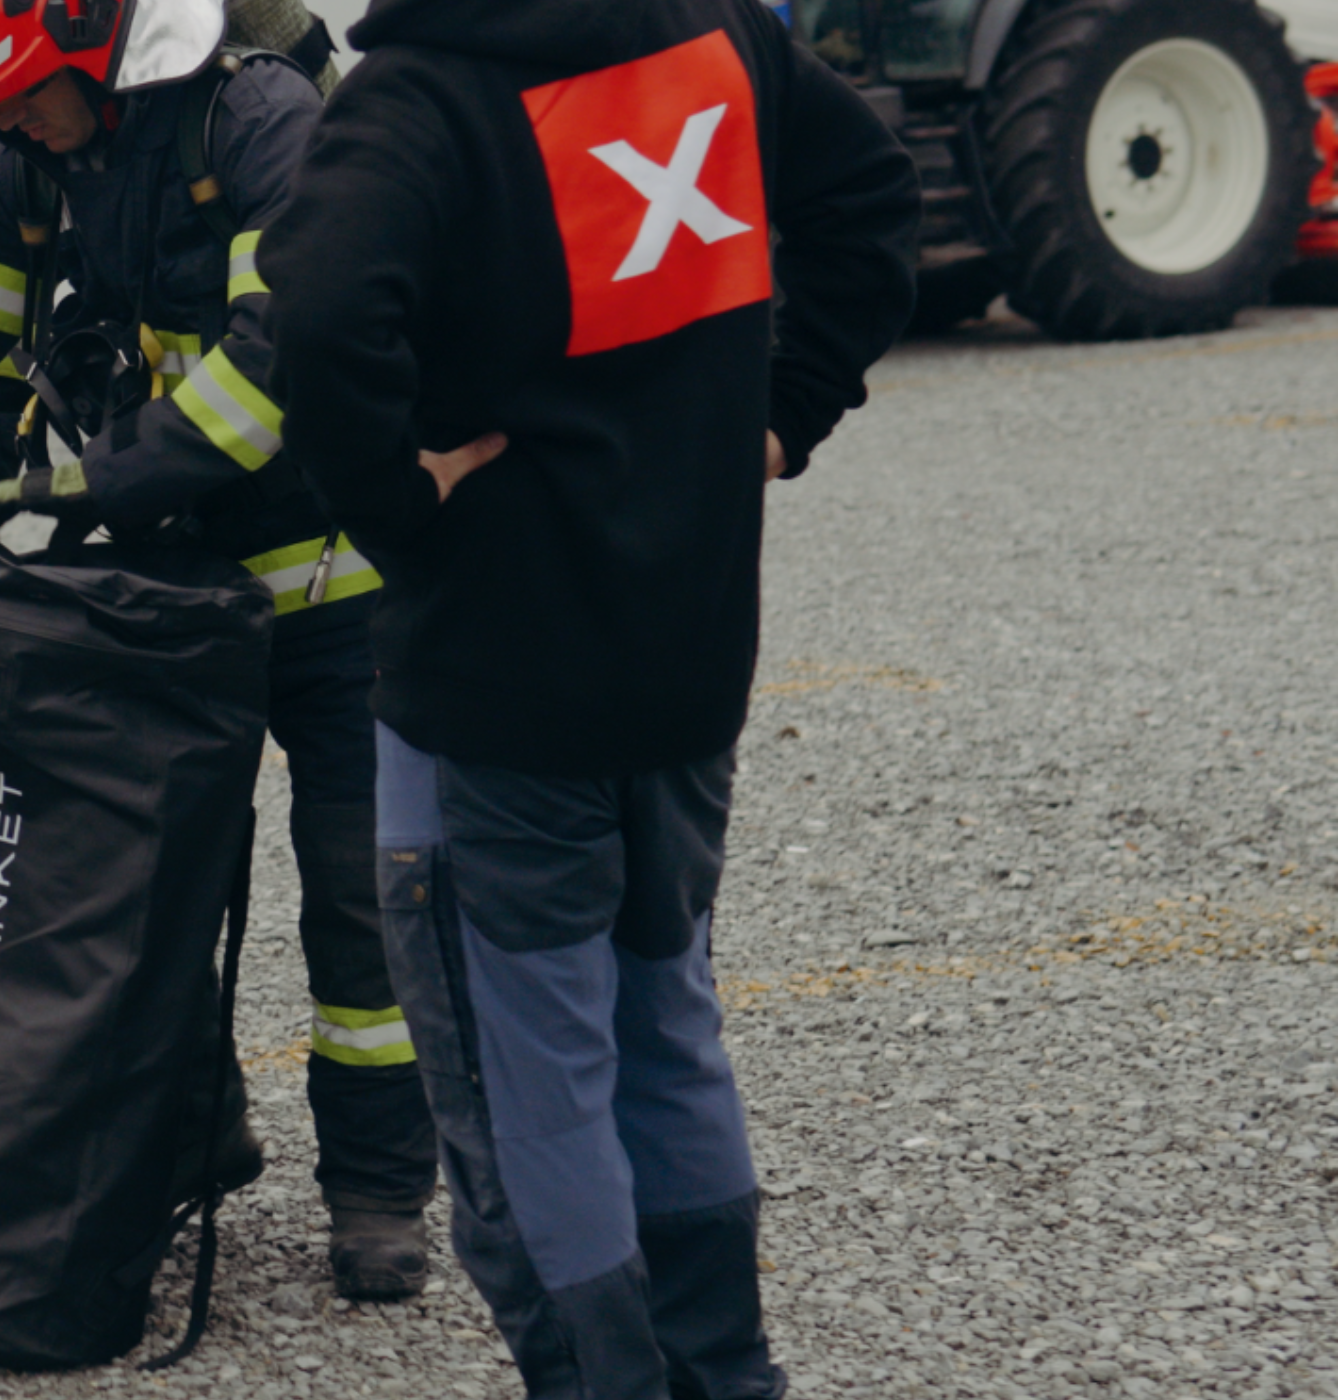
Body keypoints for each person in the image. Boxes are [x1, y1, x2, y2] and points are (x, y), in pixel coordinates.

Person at [262, 0, 918, 1392]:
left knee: (531, 1091)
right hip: (686, 663)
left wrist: (401, 509)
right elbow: (869, 193)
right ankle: (722, 1375)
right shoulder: (716, 32)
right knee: (667, 1028)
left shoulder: (422, 92)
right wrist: (784, 411)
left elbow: (318, 309)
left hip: (495, 692)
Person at [0, 0, 486, 1302]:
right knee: (139, 894)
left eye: (22, 96)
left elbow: (274, 367)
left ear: (95, 49)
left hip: (338, 592)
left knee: (363, 908)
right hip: (175, 599)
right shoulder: (39, 165)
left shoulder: (259, 121)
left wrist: (85, 486)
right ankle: (193, 1134)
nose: (10, 128)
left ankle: (375, 1193)